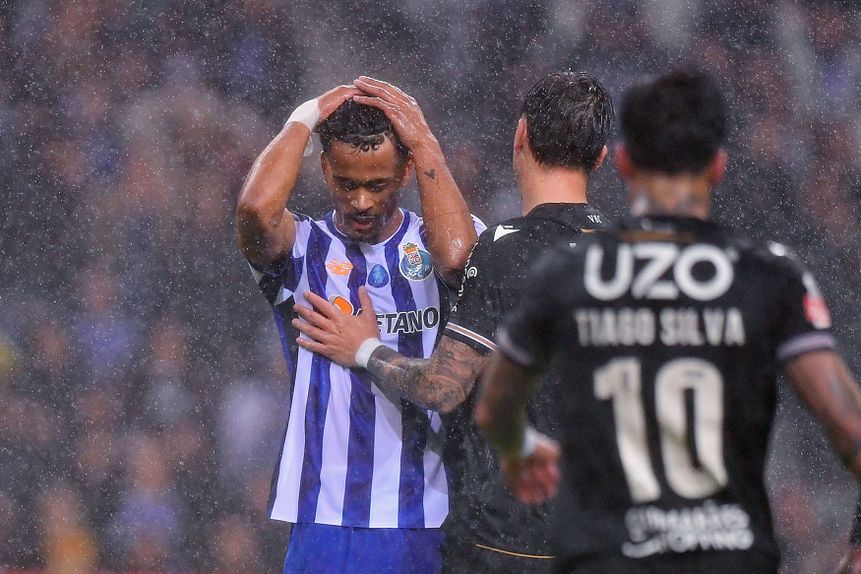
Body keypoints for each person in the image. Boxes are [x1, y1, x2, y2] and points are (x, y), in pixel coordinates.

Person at [475, 69, 861, 574]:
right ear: (718, 167)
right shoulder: (769, 274)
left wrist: (519, 450)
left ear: (624, 161)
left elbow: (495, 406)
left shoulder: (570, 272)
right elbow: (848, 424)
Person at [291, 72, 615, 573]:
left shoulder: (506, 251)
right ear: (600, 156)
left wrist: (365, 350)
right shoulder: (638, 257)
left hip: (509, 541)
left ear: (520, 137)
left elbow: (443, 388)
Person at [236, 77, 483, 573]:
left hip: (424, 512)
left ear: (408, 171)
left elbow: (459, 256)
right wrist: (303, 119)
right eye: (347, 183)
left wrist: (426, 141)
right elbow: (256, 211)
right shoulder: (304, 247)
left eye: (378, 184)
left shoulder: (438, 243)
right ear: (325, 168)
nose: (362, 202)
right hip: (325, 516)